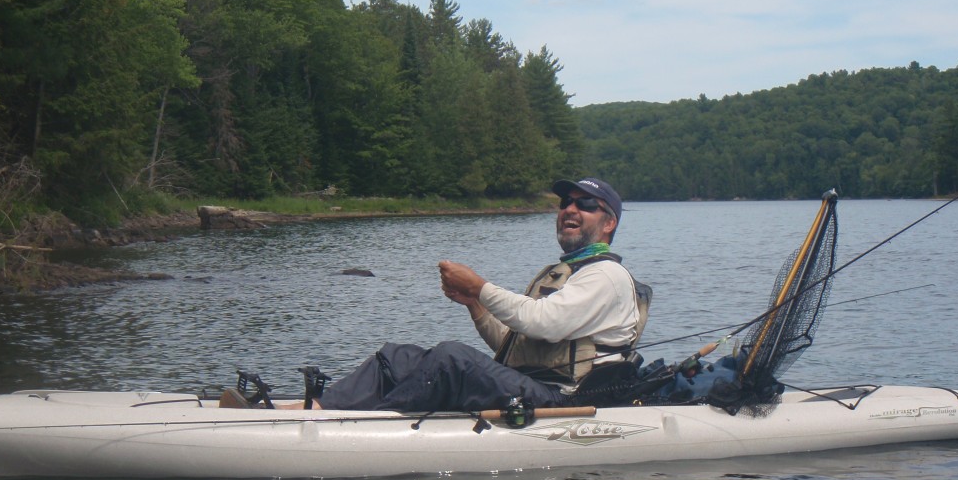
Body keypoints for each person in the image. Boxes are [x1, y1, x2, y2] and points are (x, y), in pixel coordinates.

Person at [221, 177, 649, 412]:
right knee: (399, 356)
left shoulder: (606, 277)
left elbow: (543, 322)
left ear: (608, 223)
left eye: (585, 204)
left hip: (566, 399)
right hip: (531, 383)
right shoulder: (560, 273)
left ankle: (357, 423)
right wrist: (477, 306)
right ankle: (312, 409)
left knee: (450, 358)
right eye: (565, 202)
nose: (570, 209)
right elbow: (514, 344)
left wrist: (480, 285)